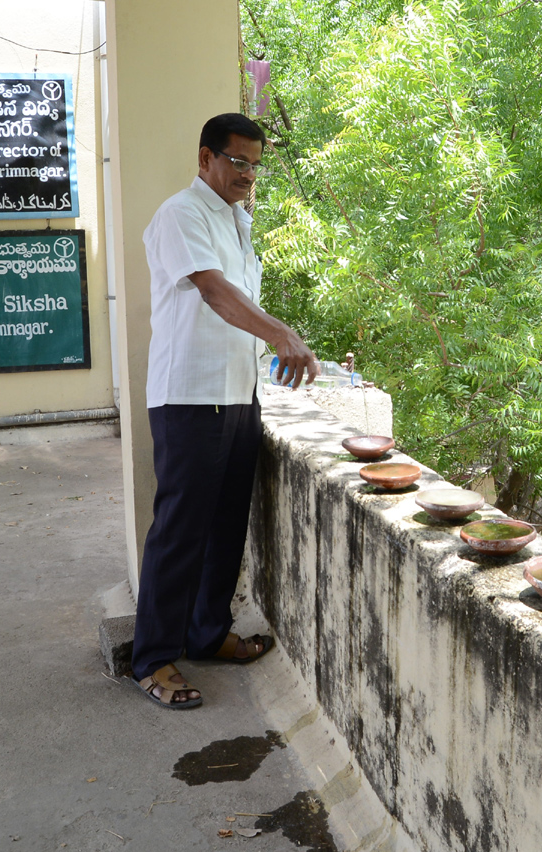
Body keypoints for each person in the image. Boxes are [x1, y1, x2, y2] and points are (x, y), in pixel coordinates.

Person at [130, 112, 319, 709]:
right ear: (205, 158)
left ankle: (207, 635)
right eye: (237, 161)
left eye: (256, 165)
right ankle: (154, 659)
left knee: (226, 527)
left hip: (237, 394)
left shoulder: (238, 221)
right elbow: (213, 291)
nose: (247, 175)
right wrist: (281, 334)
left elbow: (237, 301)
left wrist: (268, 347)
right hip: (188, 396)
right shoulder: (180, 214)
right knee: (180, 532)